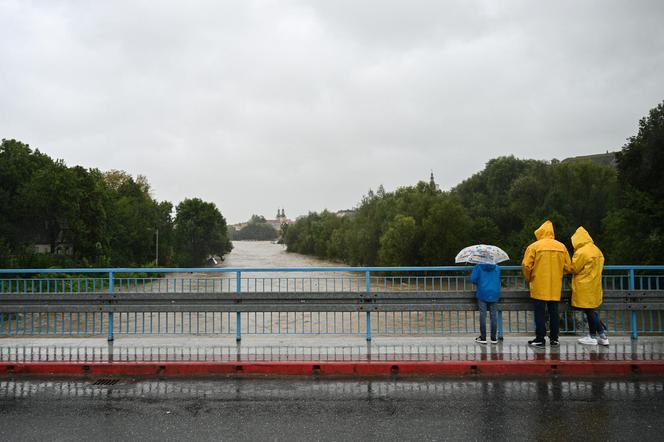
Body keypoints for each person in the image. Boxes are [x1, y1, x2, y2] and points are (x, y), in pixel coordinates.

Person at [522, 220, 572, 347]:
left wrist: (529, 278)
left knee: (539, 313)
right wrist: (559, 274)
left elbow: (526, 266)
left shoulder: (534, 246)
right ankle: (554, 339)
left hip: (539, 285)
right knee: (554, 313)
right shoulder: (561, 247)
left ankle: (540, 338)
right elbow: (568, 267)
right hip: (555, 286)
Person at [570, 226, 608, 346]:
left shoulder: (581, 252)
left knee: (589, 311)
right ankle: (593, 336)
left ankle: (602, 335)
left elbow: (574, 268)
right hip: (595, 284)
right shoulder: (597, 250)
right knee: (590, 310)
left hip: (584, 285)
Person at [471, 263, 501, 344]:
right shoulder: (497, 267)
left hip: (482, 292)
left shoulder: (478, 267)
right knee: (493, 315)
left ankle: (483, 338)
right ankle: (493, 338)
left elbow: (473, 280)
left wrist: (480, 282)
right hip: (494, 293)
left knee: (482, 315)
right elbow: (498, 279)